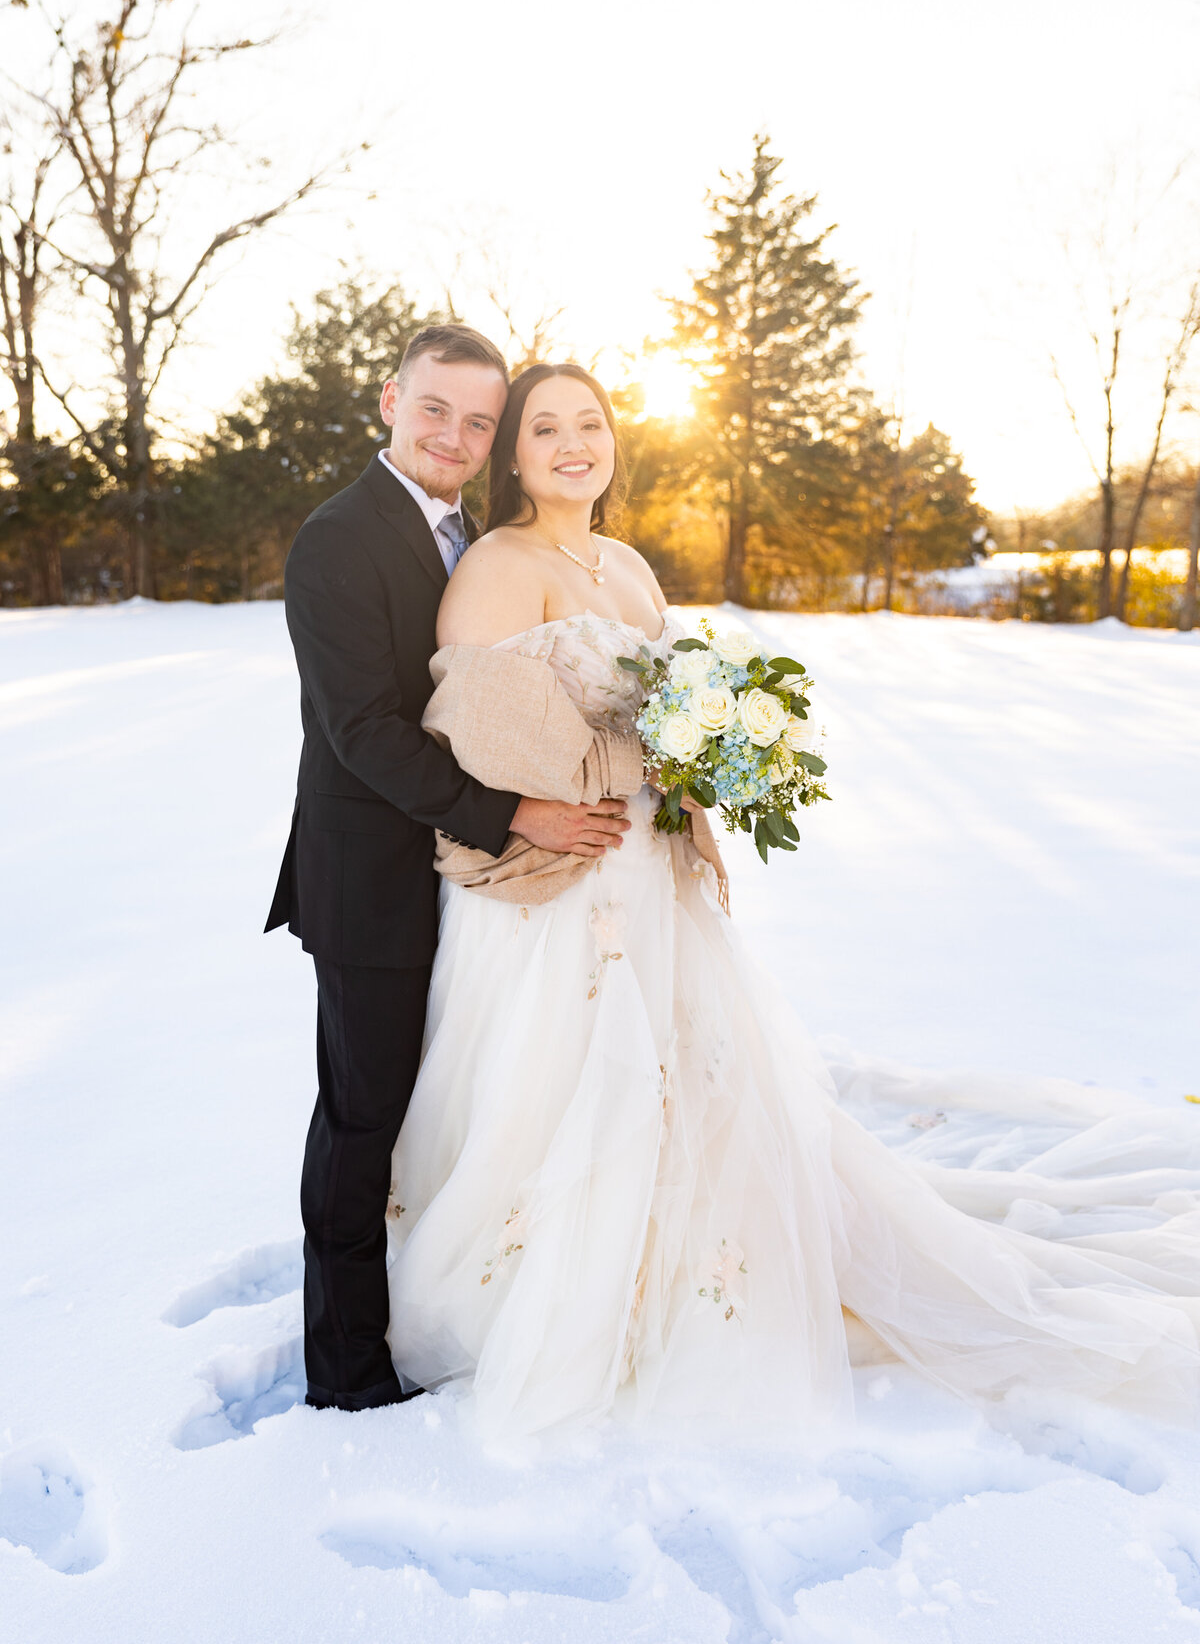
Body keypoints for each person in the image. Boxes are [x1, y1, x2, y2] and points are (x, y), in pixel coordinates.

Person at [385, 360, 1200, 1441]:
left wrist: (710, 758)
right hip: (558, 894)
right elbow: (473, 736)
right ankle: (567, 1297)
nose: (573, 443)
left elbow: (668, 705)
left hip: (653, 876)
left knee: (693, 1094)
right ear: (516, 454)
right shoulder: (499, 563)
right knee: (572, 1091)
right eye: (545, 428)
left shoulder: (627, 567)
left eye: (591, 423)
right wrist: (596, 783)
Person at [266, 326, 631, 1412]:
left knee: (456, 1104)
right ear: (390, 400)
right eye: (437, 411)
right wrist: (517, 813)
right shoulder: (338, 539)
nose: (456, 437)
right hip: (373, 878)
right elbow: (364, 729)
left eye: (479, 422)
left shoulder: (467, 532)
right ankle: (345, 1365)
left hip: (469, 884)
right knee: (363, 1113)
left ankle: (447, 1297)